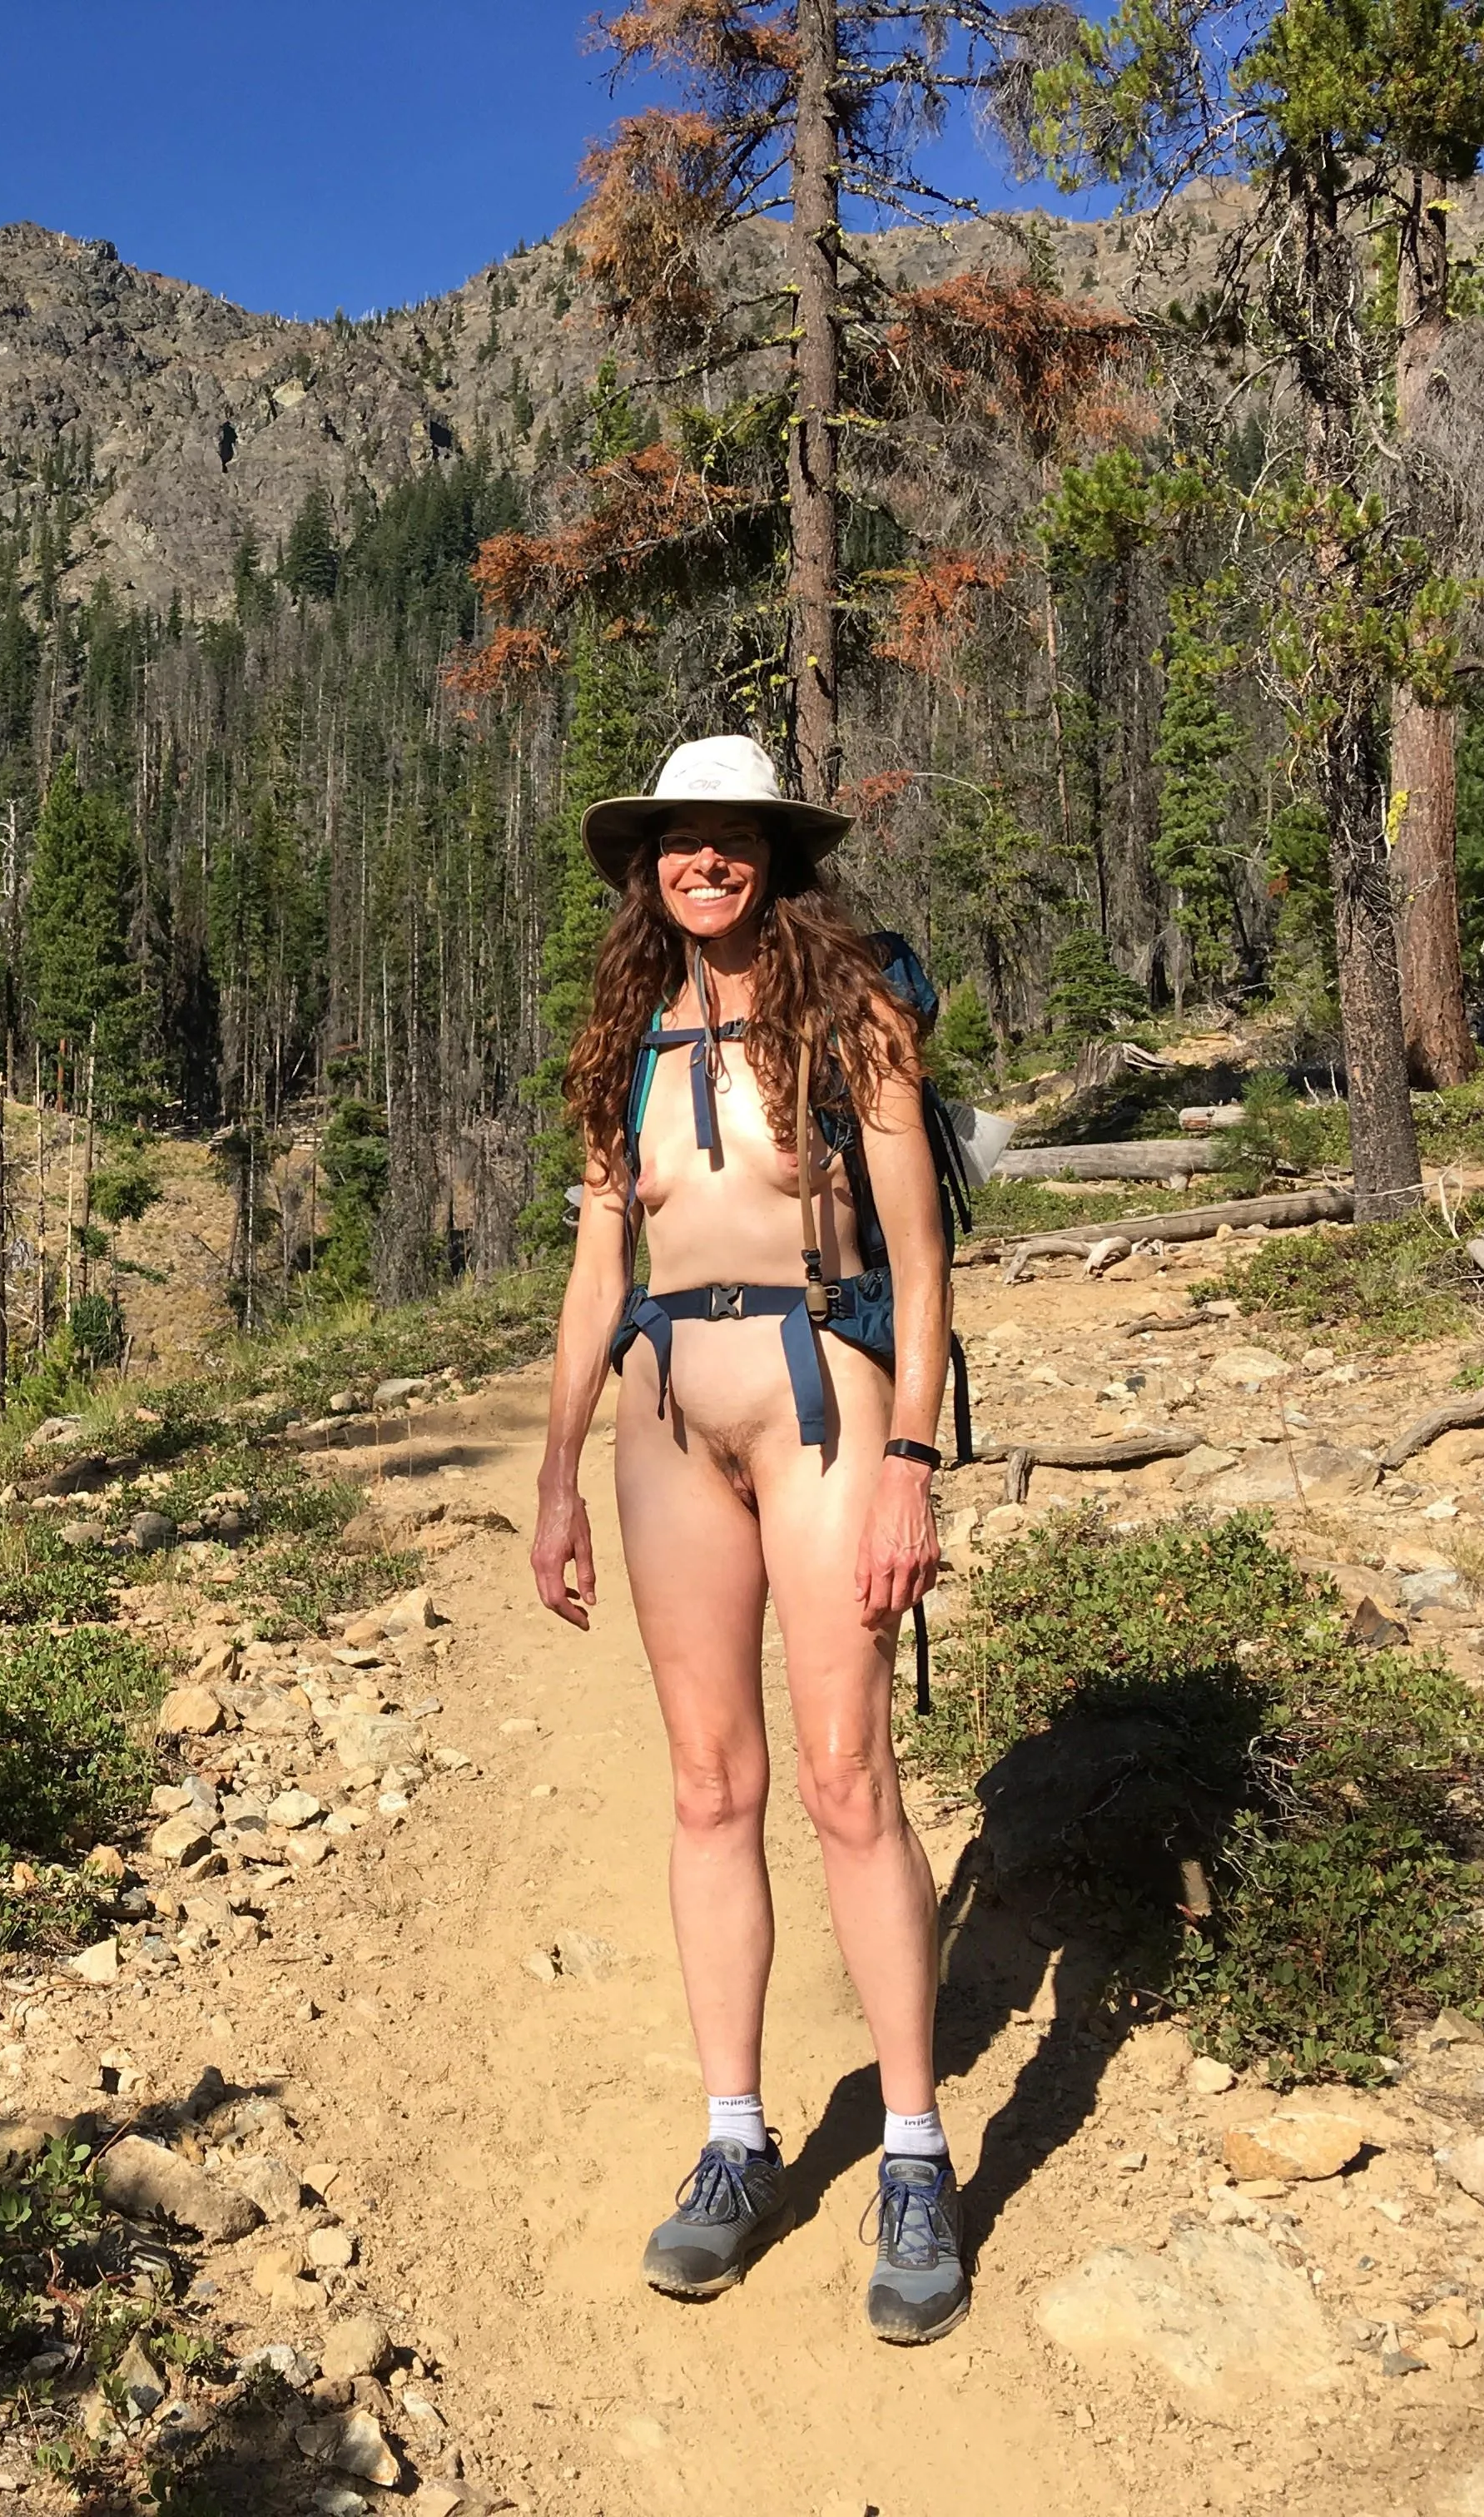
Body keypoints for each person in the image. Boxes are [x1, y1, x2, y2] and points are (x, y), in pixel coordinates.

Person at [527, 732, 966, 2346]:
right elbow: (595, 1269)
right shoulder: (624, 1035)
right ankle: (736, 2139)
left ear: (776, 856)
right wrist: (560, 1465)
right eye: (678, 841)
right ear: (648, 864)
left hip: (821, 1398)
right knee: (713, 1786)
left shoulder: (852, 1012)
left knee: (850, 1778)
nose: (704, 862)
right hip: (662, 1411)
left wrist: (911, 1460)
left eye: (732, 839)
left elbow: (917, 1259)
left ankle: (912, 2155)